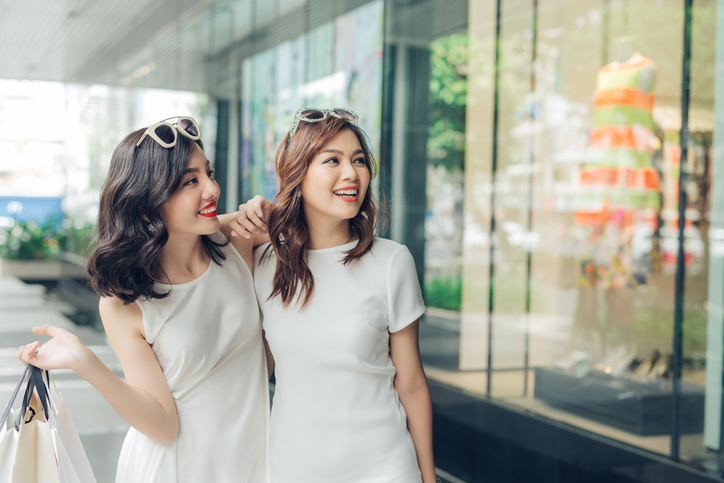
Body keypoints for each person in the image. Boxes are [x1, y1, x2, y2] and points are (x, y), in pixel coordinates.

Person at [17, 117, 270, 483]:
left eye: (208, 173)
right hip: (176, 467)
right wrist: (84, 361)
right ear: (145, 206)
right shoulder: (125, 302)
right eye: (190, 181)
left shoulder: (233, 238)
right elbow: (163, 425)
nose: (212, 188)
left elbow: (304, 226)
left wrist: (265, 209)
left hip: (249, 459)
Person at [229, 108, 437, 483]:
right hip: (294, 468)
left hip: (386, 468)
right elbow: (191, 240)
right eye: (332, 160)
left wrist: (427, 477)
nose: (351, 173)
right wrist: (257, 219)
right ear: (299, 174)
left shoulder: (391, 262)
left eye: (359, 160)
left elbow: (411, 383)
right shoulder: (263, 263)